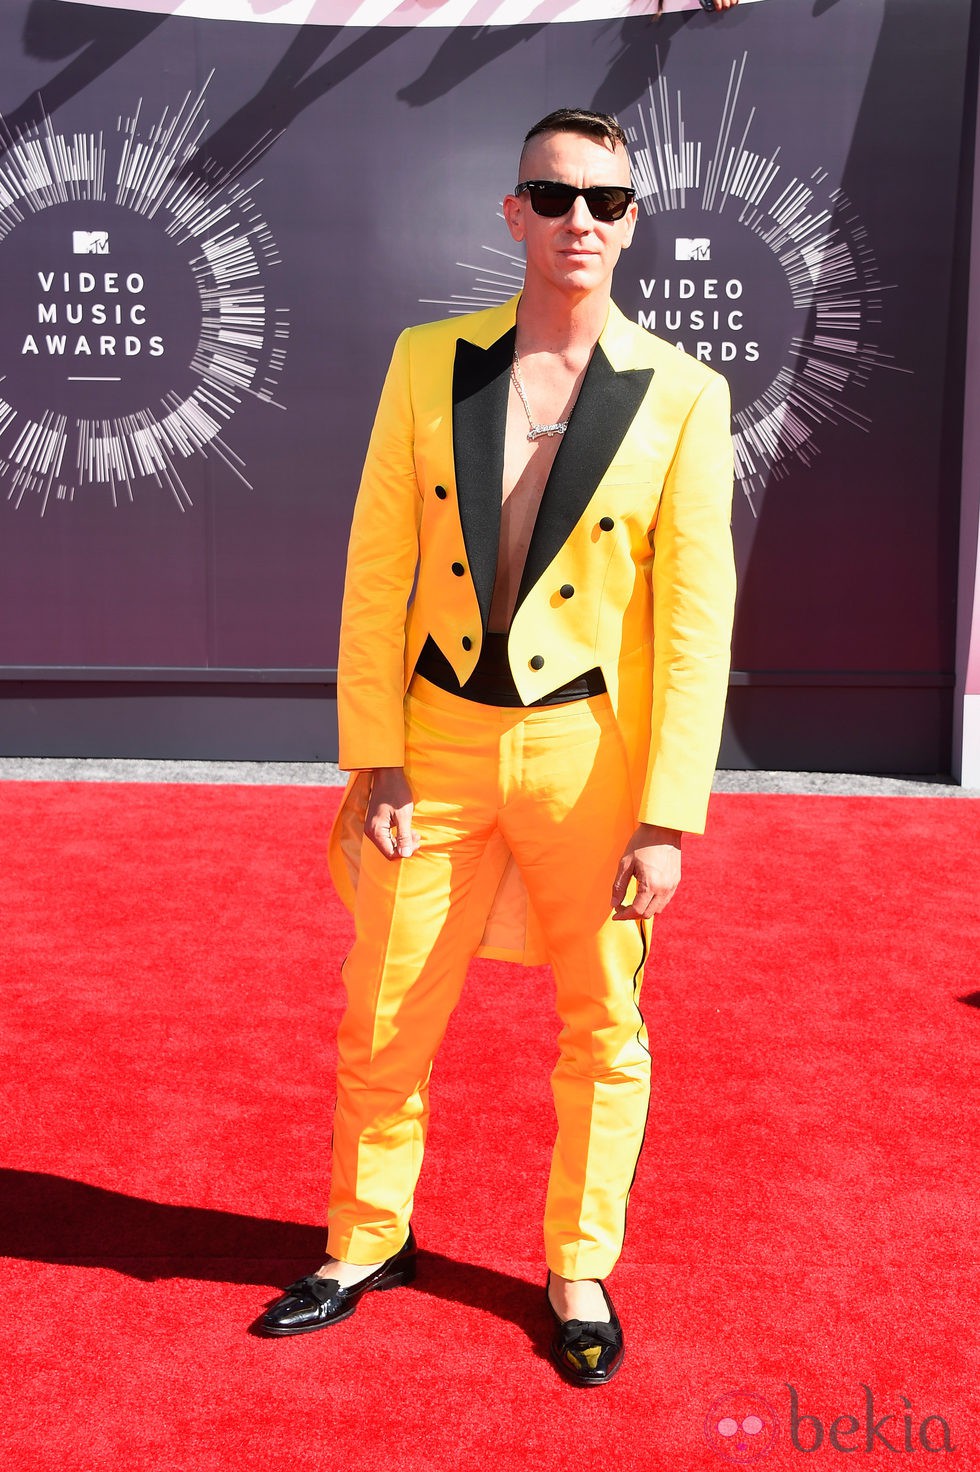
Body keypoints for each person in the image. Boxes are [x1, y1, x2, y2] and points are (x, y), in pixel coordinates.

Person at [260, 107, 735, 1387]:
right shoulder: (430, 363)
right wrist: (377, 754)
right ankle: (365, 1239)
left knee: (604, 1023)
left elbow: (696, 625)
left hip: (590, 753)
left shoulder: (685, 395)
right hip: (435, 739)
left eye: (605, 200)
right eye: (552, 193)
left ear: (632, 222)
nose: (578, 219)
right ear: (511, 213)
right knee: (385, 1005)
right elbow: (375, 568)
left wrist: (666, 814)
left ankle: (577, 1263)